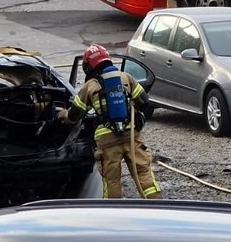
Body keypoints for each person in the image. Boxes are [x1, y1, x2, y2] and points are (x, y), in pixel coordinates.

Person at [59, 44, 162, 199]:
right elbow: (144, 101)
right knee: (143, 172)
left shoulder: (90, 86)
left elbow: (75, 115)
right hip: (130, 134)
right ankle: (157, 205)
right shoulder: (125, 78)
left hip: (107, 141)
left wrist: (63, 115)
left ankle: (114, 211)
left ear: (89, 65)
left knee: (111, 180)